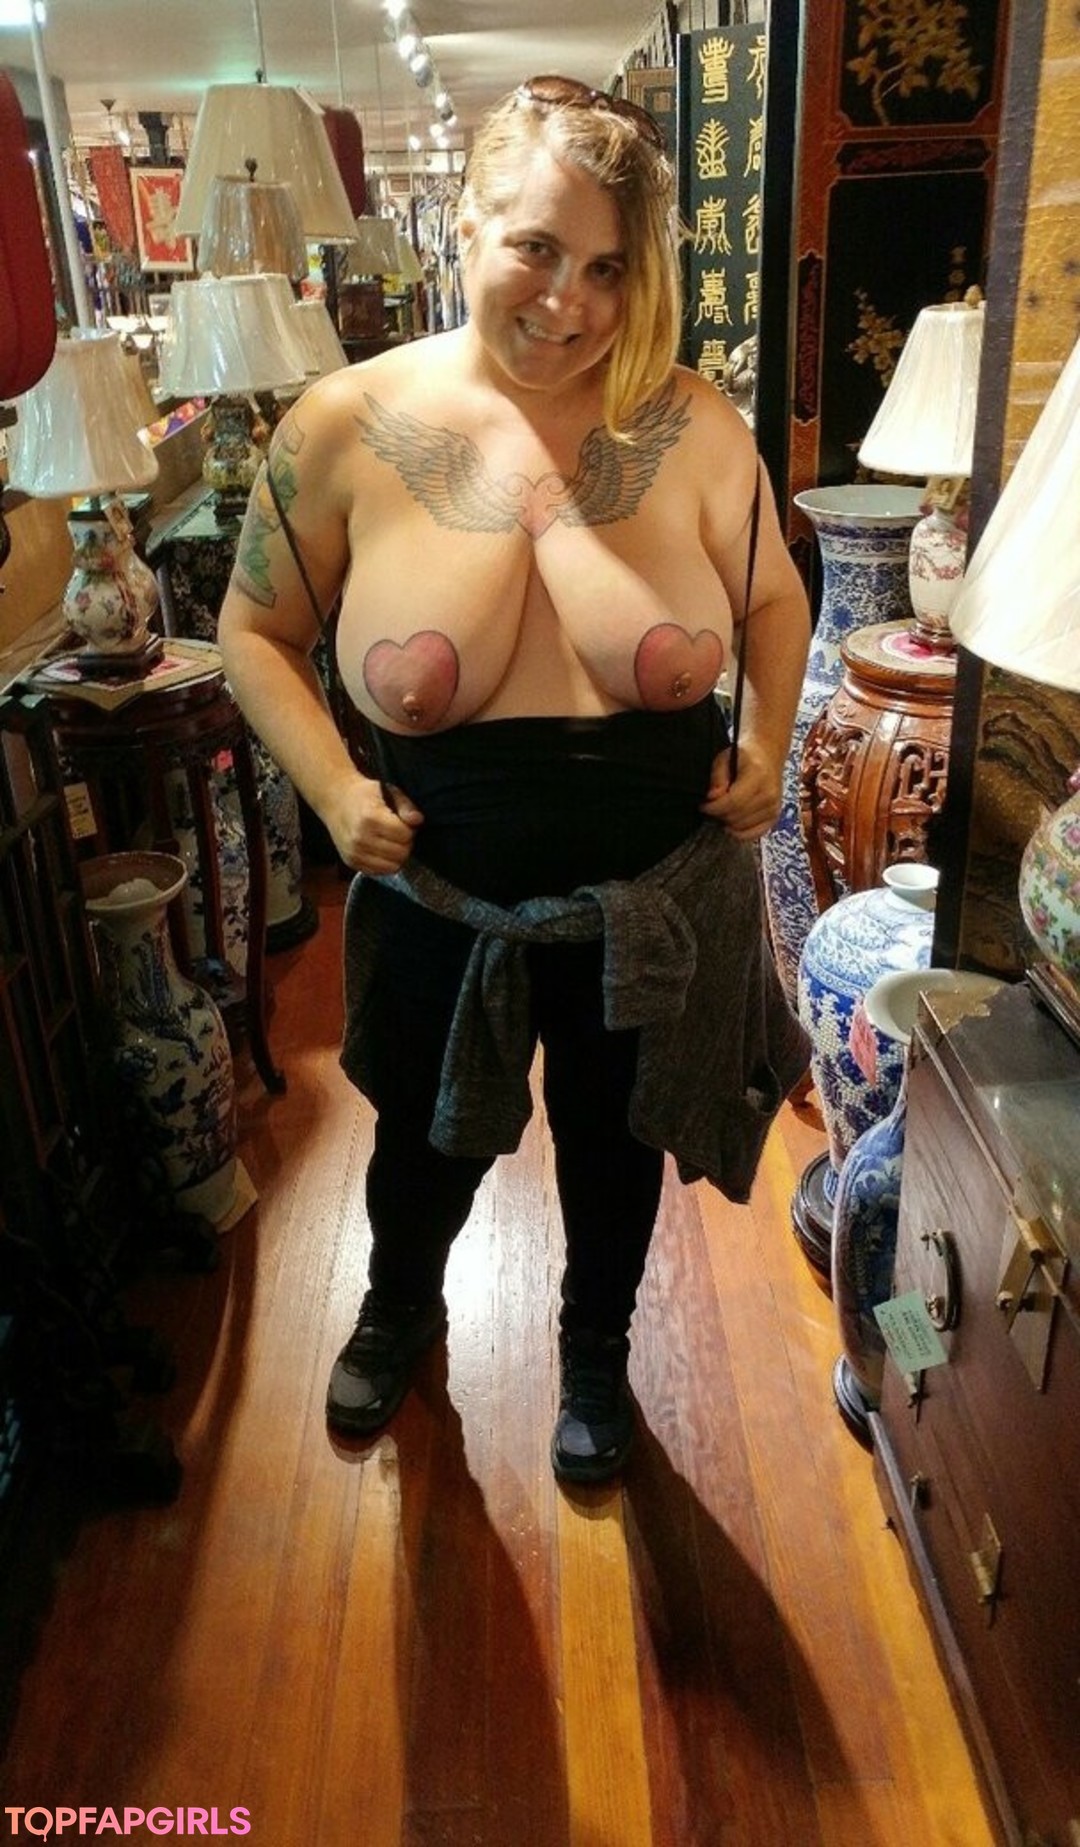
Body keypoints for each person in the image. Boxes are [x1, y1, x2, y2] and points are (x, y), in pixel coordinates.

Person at [217, 74, 812, 1485]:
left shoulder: (695, 424)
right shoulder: (343, 424)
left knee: (616, 1149)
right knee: (423, 1145)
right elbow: (251, 631)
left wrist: (772, 742)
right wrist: (333, 791)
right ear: (466, 226)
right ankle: (396, 1306)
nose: (570, 301)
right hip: (441, 891)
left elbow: (775, 600)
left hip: (653, 900)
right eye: (537, 248)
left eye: (608, 266)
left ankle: (596, 1349)